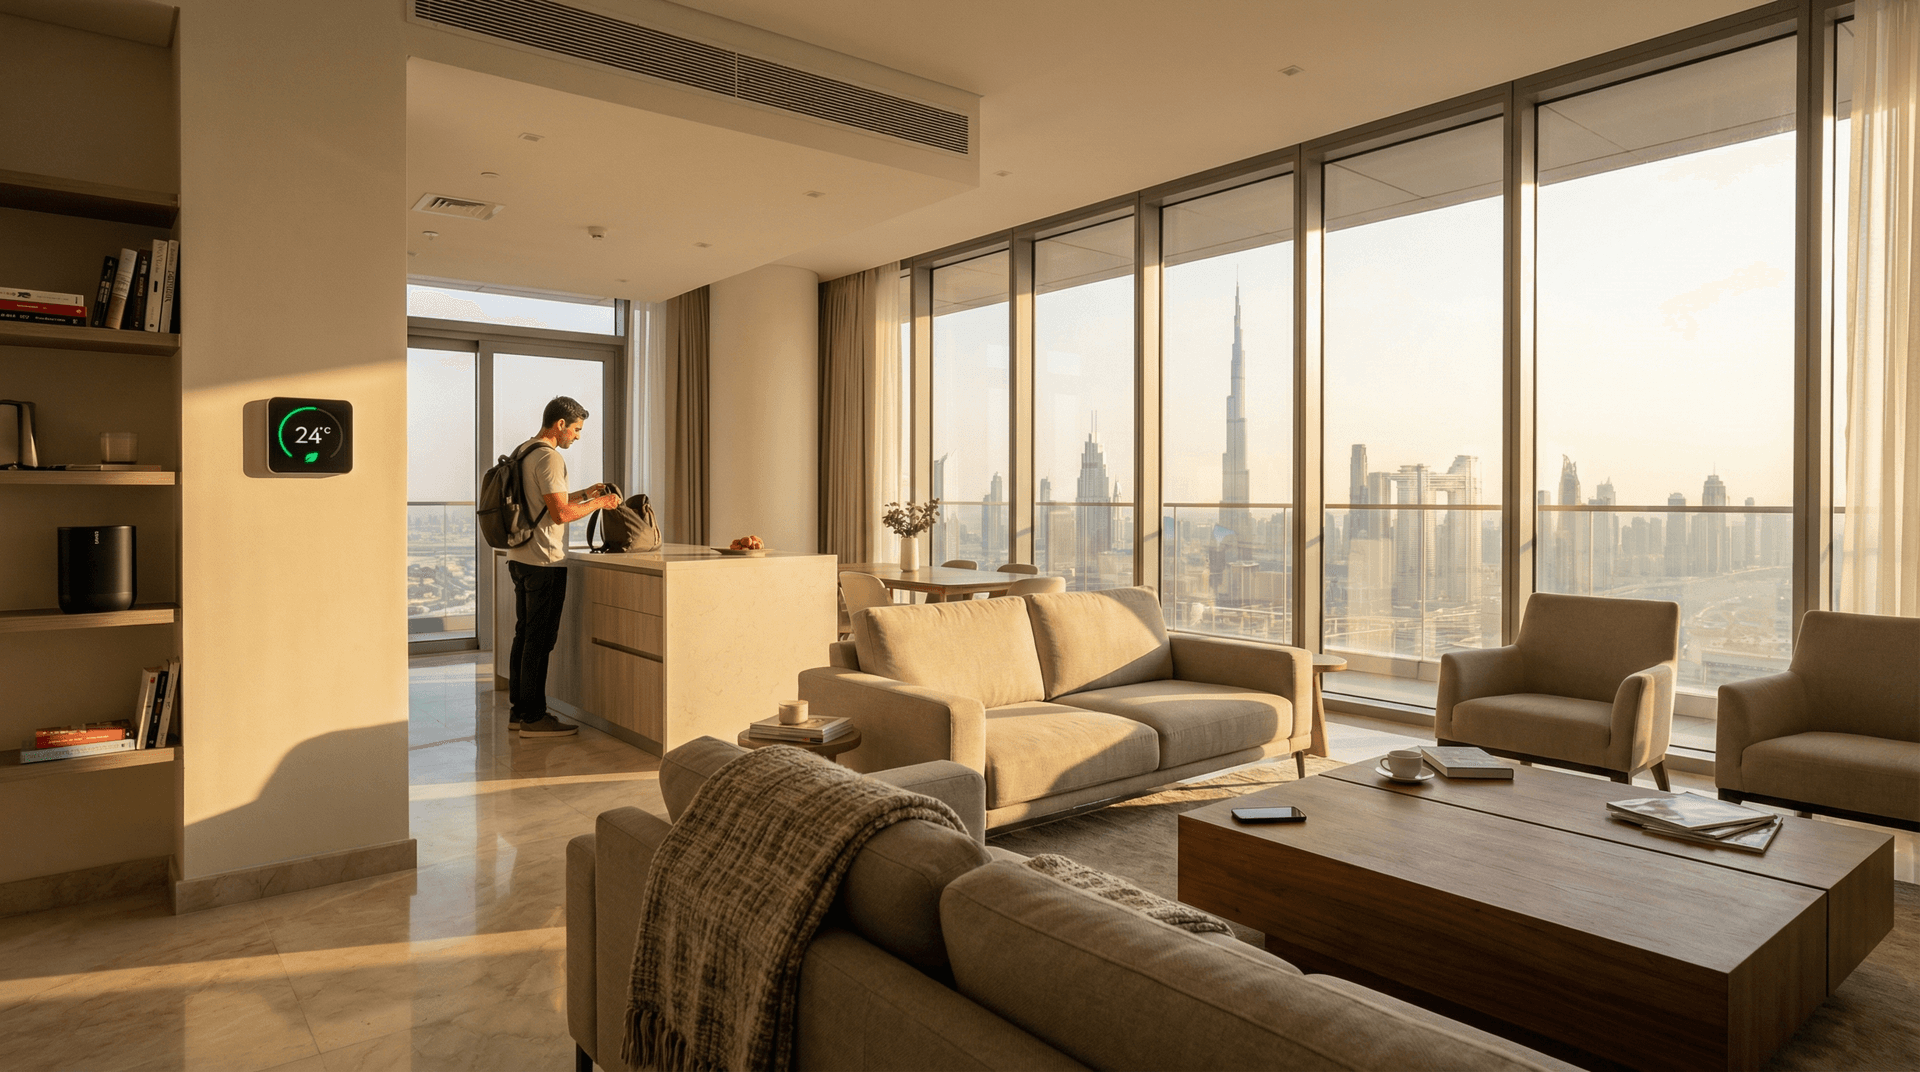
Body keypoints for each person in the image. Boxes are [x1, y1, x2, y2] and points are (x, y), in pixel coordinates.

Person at [505, 396, 620, 737]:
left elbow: (546, 501)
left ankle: (519, 712)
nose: (578, 436)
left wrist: (585, 493)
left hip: (520, 557)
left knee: (525, 636)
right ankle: (534, 718)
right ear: (560, 425)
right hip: (545, 560)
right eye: (576, 429)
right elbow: (560, 514)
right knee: (539, 642)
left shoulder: (523, 451)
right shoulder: (550, 458)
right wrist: (602, 502)